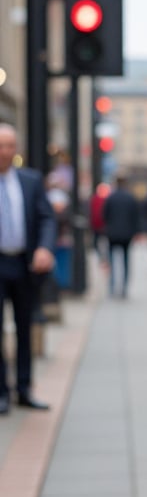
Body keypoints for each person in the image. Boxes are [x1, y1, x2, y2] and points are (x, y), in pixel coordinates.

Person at [0, 123, 56, 414]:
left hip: (24, 264)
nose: (6, 152)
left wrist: (45, 248)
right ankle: (1, 393)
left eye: (10, 145)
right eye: (1, 146)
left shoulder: (30, 180)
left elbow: (46, 217)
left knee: (25, 326)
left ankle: (23, 388)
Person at [102, 175, 140, 298]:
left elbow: (105, 215)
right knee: (125, 260)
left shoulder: (110, 197)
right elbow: (136, 216)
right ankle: (124, 287)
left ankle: (112, 286)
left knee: (112, 260)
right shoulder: (130, 198)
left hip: (112, 233)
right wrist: (136, 232)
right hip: (127, 234)